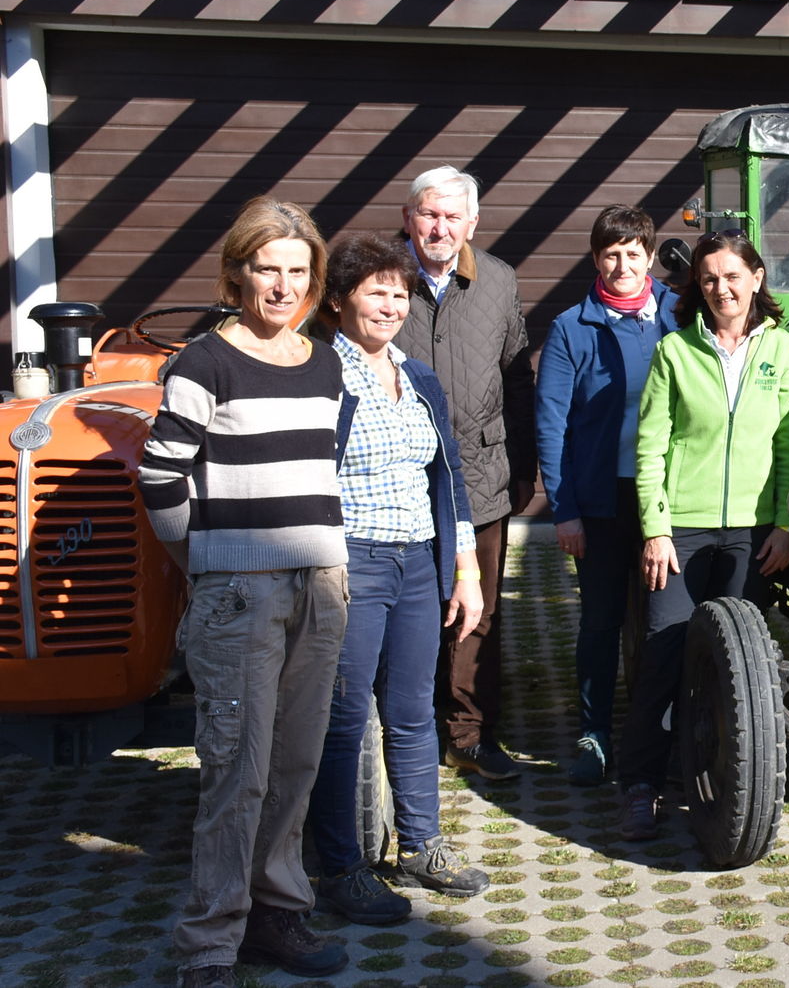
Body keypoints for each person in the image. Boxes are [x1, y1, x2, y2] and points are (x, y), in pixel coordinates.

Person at [139, 197, 350, 988]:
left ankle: (275, 915)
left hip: (322, 581)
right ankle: (209, 941)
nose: (283, 286)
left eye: (299, 271)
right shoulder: (204, 361)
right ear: (238, 272)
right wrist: (204, 558)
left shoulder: (326, 361)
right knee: (238, 768)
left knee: (295, 761)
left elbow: (320, 468)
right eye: (268, 268)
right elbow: (160, 474)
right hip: (239, 591)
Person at [310, 234, 492, 926]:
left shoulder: (417, 376)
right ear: (338, 300)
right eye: (374, 290)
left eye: (398, 290)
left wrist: (464, 567)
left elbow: (448, 477)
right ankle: (341, 867)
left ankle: (420, 845)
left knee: (415, 709)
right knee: (346, 716)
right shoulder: (322, 374)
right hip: (350, 560)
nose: (390, 303)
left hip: (419, 558)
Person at [615, 229, 789, 841]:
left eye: (731, 276)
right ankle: (641, 785)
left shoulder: (782, 351)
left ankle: (728, 778)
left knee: (737, 663)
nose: (722, 289)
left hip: (752, 533)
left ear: (756, 277)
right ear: (698, 287)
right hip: (684, 531)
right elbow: (651, 448)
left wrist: (785, 526)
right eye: (709, 279)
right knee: (664, 652)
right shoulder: (676, 352)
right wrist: (656, 529)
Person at [393, 165, 537, 781]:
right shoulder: (379, 278)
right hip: (396, 478)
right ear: (409, 218)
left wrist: (524, 467)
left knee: (475, 612)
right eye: (429, 214)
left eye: (454, 217)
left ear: (472, 224)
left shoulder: (500, 281)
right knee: (404, 605)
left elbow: (515, 379)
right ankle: (405, 729)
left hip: (479, 474)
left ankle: (471, 734)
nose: (440, 227)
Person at [536, 205, 681, 786]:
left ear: (649, 256)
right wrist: (564, 510)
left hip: (667, 499)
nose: (622, 264)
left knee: (664, 621)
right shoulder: (573, 326)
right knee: (600, 622)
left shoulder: (679, 313)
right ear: (596, 259)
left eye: (632, 253)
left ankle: (663, 730)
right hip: (600, 503)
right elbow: (551, 423)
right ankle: (594, 734)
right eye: (610, 254)